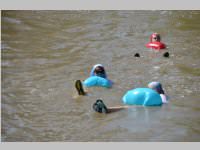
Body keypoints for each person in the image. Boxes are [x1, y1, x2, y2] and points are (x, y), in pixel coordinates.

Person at [93, 81, 169, 114]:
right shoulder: (160, 95)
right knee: (126, 108)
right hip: (149, 105)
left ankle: (108, 110)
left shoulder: (160, 95)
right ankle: (108, 110)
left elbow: (164, 103)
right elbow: (164, 103)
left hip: (149, 106)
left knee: (126, 108)